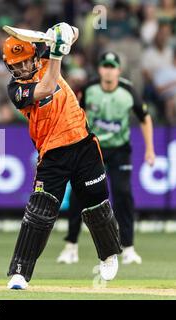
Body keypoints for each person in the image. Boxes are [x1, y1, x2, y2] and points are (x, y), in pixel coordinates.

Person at [4, 23, 122, 290]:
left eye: (25, 63)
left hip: (82, 143)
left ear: (34, 56)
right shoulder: (16, 90)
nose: (22, 69)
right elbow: (46, 88)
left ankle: (108, 254)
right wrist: (57, 53)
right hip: (52, 154)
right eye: (16, 66)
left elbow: (75, 33)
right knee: (39, 212)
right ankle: (20, 273)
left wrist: (63, 32)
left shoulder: (46, 56)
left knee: (96, 204)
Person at [57, 52, 155, 265]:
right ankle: (71, 246)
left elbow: (145, 118)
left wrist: (150, 150)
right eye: (105, 66)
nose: (109, 70)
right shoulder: (89, 90)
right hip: (92, 149)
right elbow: (72, 114)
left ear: (119, 70)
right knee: (79, 195)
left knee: (123, 194)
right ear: (100, 69)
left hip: (120, 150)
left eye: (112, 67)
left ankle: (128, 248)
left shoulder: (128, 91)